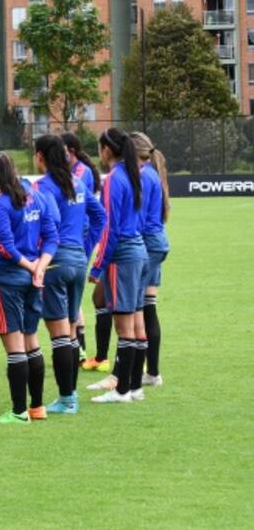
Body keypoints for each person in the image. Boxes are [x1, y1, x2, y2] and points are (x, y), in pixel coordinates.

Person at [0, 152, 59, 425]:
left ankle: (18, 412)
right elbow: (52, 237)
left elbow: (4, 246)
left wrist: (30, 267)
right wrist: (40, 267)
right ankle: (37, 407)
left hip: (7, 279)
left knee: (15, 347)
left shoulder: (0, 203)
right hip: (33, 280)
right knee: (31, 341)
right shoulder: (35, 196)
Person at [33, 136, 106, 416]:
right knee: (72, 328)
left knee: (59, 333)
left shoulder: (43, 187)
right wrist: (85, 248)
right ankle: (70, 395)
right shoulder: (78, 183)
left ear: (40, 156)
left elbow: (41, 225)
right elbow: (100, 217)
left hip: (55, 261)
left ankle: (67, 399)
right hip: (77, 260)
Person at [88, 128, 149, 404]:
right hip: (138, 252)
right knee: (135, 325)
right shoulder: (134, 175)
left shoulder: (114, 179)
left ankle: (122, 390)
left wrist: (97, 266)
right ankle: (134, 387)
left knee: (124, 327)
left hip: (122, 257)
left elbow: (109, 228)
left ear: (106, 150)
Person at [65, 134, 112, 374]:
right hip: (77, 236)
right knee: (74, 295)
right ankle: (80, 348)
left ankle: (80, 349)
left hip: (78, 236)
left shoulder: (80, 174)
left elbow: (87, 210)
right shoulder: (77, 171)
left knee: (72, 294)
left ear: (71, 151)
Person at [130, 132, 170, 390]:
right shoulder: (154, 173)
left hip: (147, 244)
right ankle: (152, 373)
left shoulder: (144, 176)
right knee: (148, 307)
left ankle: (126, 376)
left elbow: (140, 217)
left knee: (133, 309)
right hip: (157, 242)